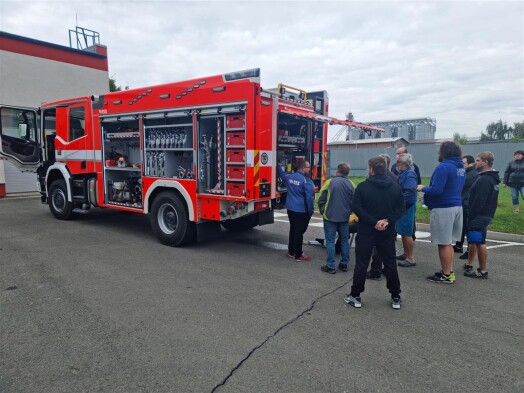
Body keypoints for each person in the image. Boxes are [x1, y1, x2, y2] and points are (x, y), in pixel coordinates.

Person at [344, 156, 405, 309]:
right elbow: (400, 208)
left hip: (366, 230)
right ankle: (396, 295)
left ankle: (355, 294)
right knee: (390, 262)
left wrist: (373, 221)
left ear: (371, 169)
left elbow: (356, 207)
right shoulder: (395, 187)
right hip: (387, 230)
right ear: (384, 168)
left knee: (362, 263)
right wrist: (387, 221)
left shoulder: (363, 187)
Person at [417, 141, 465, 284]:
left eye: (439, 151)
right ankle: (449, 272)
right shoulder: (460, 167)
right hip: (457, 206)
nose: (438, 153)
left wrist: (422, 188)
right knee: (448, 242)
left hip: (444, 208)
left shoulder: (444, 167)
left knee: (443, 243)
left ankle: (445, 275)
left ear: (445, 152)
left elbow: (437, 190)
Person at [464, 152, 500, 279]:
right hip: (484, 215)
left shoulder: (485, 179)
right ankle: (469, 264)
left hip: (479, 216)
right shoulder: (490, 177)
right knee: (475, 241)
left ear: (485, 162)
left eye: (478, 160)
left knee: (479, 242)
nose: (476, 162)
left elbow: (479, 200)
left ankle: (483, 270)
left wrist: (472, 215)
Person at [317, 162, 355, 274]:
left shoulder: (329, 182)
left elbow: (321, 199)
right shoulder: (351, 184)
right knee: (344, 241)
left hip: (330, 216)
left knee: (330, 241)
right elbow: (354, 202)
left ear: (338, 171)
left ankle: (331, 266)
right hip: (344, 217)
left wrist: (323, 211)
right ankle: (344, 264)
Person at [366, 154, 398, 280]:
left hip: (377, 217)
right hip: (390, 218)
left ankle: (375, 270)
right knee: (388, 247)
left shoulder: (373, 179)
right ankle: (386, 269)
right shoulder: (395, 177)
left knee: (377, 247)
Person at [277, 160, 315, 261]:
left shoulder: (290, 177)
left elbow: (282, 175)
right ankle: (298, 255)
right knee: (299, 233)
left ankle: (291, 251)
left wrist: (277, 165)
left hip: (290, 209)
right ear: (303, 168)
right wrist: (310, 212)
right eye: (308, 167)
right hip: (301, 211)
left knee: (293, 230)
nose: (309, 169)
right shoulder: (307, 181)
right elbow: (309, 199)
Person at [395, 153, 418, 267]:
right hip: (404, 206)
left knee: (407, 233)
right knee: (404, 232)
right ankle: (405, 253)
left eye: (398, 162)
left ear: (405, 164)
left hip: (407, 207)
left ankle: (410, 258)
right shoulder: (404, 173)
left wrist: (400, 205)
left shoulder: (410, 174)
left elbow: (409, 192)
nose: (397, 164)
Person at [453, 155, 479, 260]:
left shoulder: (472, 174)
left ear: (470, 163)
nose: (461, 165)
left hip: (467, 203)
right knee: (461, 225)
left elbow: (461, 184)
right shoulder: (467, 172)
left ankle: (469, 250)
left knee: (467, 227)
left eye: (463, 163)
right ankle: (459, 246)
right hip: (463, 201)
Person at [502, 150, 524, 215]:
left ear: (523, 155)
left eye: (519, 154)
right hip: (512, 183)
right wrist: (504, 182)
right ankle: (516, 209)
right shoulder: (511, 163)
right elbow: (507, 173)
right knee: (514, 196)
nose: (517, 155)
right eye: (515, 154)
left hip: (523, 183)